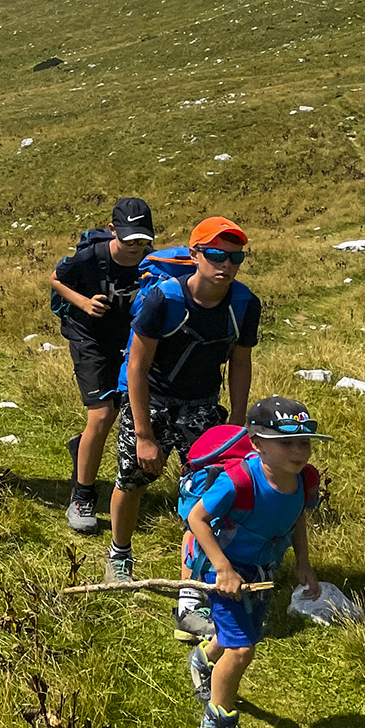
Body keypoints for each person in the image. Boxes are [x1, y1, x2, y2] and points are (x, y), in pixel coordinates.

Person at [105, 216, 262, 644]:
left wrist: (237, 424)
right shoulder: (162, 300)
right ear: (195, 255)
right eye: (215, 254)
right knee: (132, 480)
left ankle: (190, 598)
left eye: (235, 257)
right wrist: (143, 435)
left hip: (204, 409)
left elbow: (241, 361)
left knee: (205, 499)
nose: (225, 265)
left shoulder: (244, 304)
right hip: (151, 403)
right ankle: (119, 554)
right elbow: (136, 366)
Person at [183, 395, 328, 728]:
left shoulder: (301, 481)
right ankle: (215, 725)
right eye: (285, 443)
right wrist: (223, 568)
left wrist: (303, 565)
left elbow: (296, 518)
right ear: (257, 443)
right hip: (225, 571)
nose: (298, 451)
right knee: (242, 650)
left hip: (262, 574)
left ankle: (201, 659)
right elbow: (198, 519)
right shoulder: (237, 481)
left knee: (241, 634)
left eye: (304, 442)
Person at [48, 197, 155, 533]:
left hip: (126, 342)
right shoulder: (91, 256)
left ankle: (82, 448)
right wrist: (83, 302)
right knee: (103, 414)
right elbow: (55, 278)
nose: (136, 247)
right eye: (128, 240)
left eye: (142, 240)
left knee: (128, 410)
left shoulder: (151, 263)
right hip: (88, 338)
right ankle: (82, 497)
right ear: (112, 231)